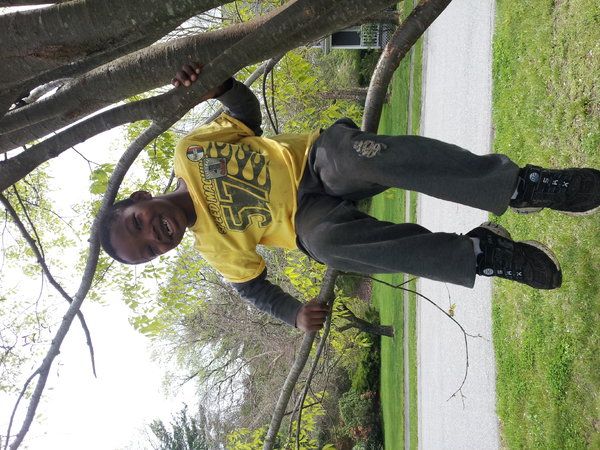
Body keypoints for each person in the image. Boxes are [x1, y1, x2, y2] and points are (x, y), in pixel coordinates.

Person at [100, 62, 600, 332]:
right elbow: (253, 289)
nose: (154, 236)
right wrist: (293, 313)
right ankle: (481, 253)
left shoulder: (189, 152)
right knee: (328, 245)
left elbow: (247, 117)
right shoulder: (215, 250)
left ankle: (518, 186)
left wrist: (221, 85)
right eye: (149, 250)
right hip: (306, 219)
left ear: (140, 195)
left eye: (138, 223)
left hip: (316, 158)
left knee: (357, 158)